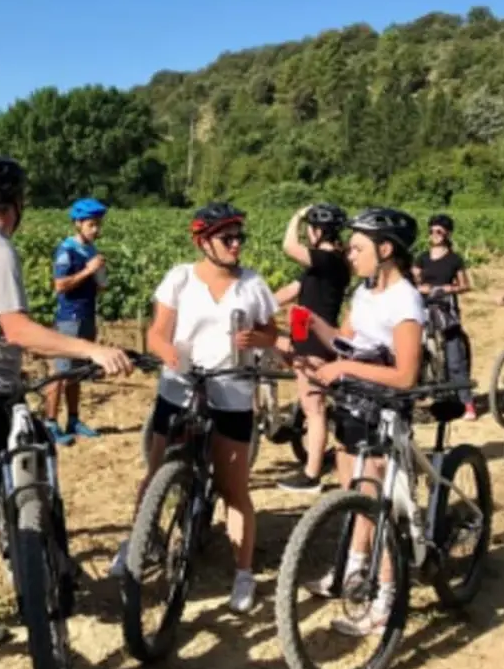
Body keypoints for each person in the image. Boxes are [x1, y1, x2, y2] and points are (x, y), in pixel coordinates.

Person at [0, 156, 132, 646]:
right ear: (16, 204)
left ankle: (43, 567)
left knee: (1, 478)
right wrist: (92, 349)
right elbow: (18, 330)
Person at [108, 203, 279, 614]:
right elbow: (158, 332)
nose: (236, 244)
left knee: (233, 486)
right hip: (182, 383)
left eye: (240, 237)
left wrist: (257, 339)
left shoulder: (252, 284)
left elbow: (271, 332)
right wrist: (168, 355)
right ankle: (139, 541)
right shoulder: (180, 278)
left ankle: (243, 572)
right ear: (203, 242)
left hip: (231, 389)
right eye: (227, 237)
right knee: (155, 473)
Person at [304, 207, 425, 637]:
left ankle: (385, 601)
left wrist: (344, 370)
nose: (348, 253)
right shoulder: (363, 292)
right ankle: (350, 572)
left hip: (387, 412)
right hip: (356, 406)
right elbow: (347, 344)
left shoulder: (405, 300)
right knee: (354, 496)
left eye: (357, 247)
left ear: (385, 249)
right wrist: (311, 324)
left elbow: (405, 375)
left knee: (379, 506)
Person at [273, 203, 351, 493]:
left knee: (314, 408)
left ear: (318, 232)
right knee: (270, 341)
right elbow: (293, 291)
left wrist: (295, 215)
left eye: (309, 228)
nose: (306, 234)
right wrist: (257, 307)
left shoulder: (329, 261)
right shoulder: (321, 265)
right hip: (303, 339)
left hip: (315, 342)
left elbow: (288, 246)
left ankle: (312, 473)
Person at [44, 197, 110, 445]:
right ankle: (50, 423)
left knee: (78, 372)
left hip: (86, 316)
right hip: (69, 318)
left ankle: (73, 419)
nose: (96, 229)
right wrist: (88, 271)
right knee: (60, 372)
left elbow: (98, 285)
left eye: (98, 224)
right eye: (92, 224)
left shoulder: (91, 250)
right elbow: (60, 285)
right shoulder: (66, 250)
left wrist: (100, 277)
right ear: (78, 224)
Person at [414, 213, 476, 419]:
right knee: (419, 354)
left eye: (439, 231)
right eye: (432, 230)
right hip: (424, 309)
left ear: (447, 233)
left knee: (454, 357)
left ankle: (467, 403)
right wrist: (420, 287)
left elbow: (465, 285)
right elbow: (413, 279)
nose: (435, 234)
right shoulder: (422, 257)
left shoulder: (454, 259)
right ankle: (421, 396)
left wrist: (448, 288)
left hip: (446, 310)